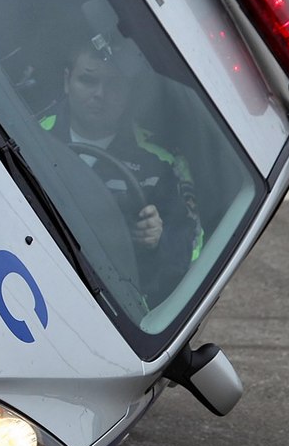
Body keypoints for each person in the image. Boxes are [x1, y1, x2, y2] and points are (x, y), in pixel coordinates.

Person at [39, 38, 199, 305]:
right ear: (67, 81)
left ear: (129, 93)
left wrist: (159, 238)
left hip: (105, 299)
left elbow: (194, 245)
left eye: (114, 84)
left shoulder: (163, 162)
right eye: (88, 81)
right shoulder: (31, 134)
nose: (100, 93)